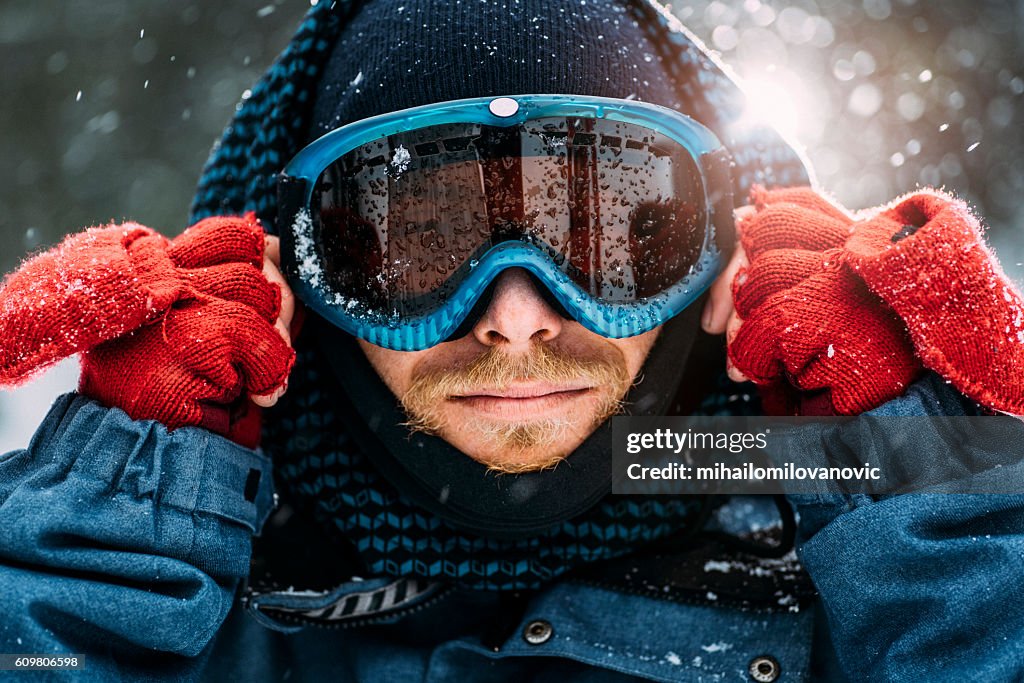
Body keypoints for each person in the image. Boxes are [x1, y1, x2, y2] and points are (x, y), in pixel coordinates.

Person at [1, 1, 1023, 681]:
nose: (517, 314)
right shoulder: (181, 594)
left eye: (609, 233)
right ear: (292, 275)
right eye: (419, 237)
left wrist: (907, 469)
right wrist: (124, 512)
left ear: (722, 261)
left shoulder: (868, 577)